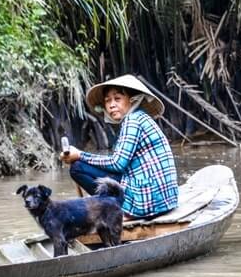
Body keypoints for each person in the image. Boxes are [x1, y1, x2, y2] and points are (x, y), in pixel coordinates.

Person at [60, 74, 179, 219]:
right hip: (165, 201)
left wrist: (80, 155)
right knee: (82, 164)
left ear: (131, 100)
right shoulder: (140, 117)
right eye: (107, 101)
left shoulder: (133, 120)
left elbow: (117, 163)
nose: (111, 105)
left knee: (78, 167)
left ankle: (117, 211)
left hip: (149, 203)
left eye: (117, 99)